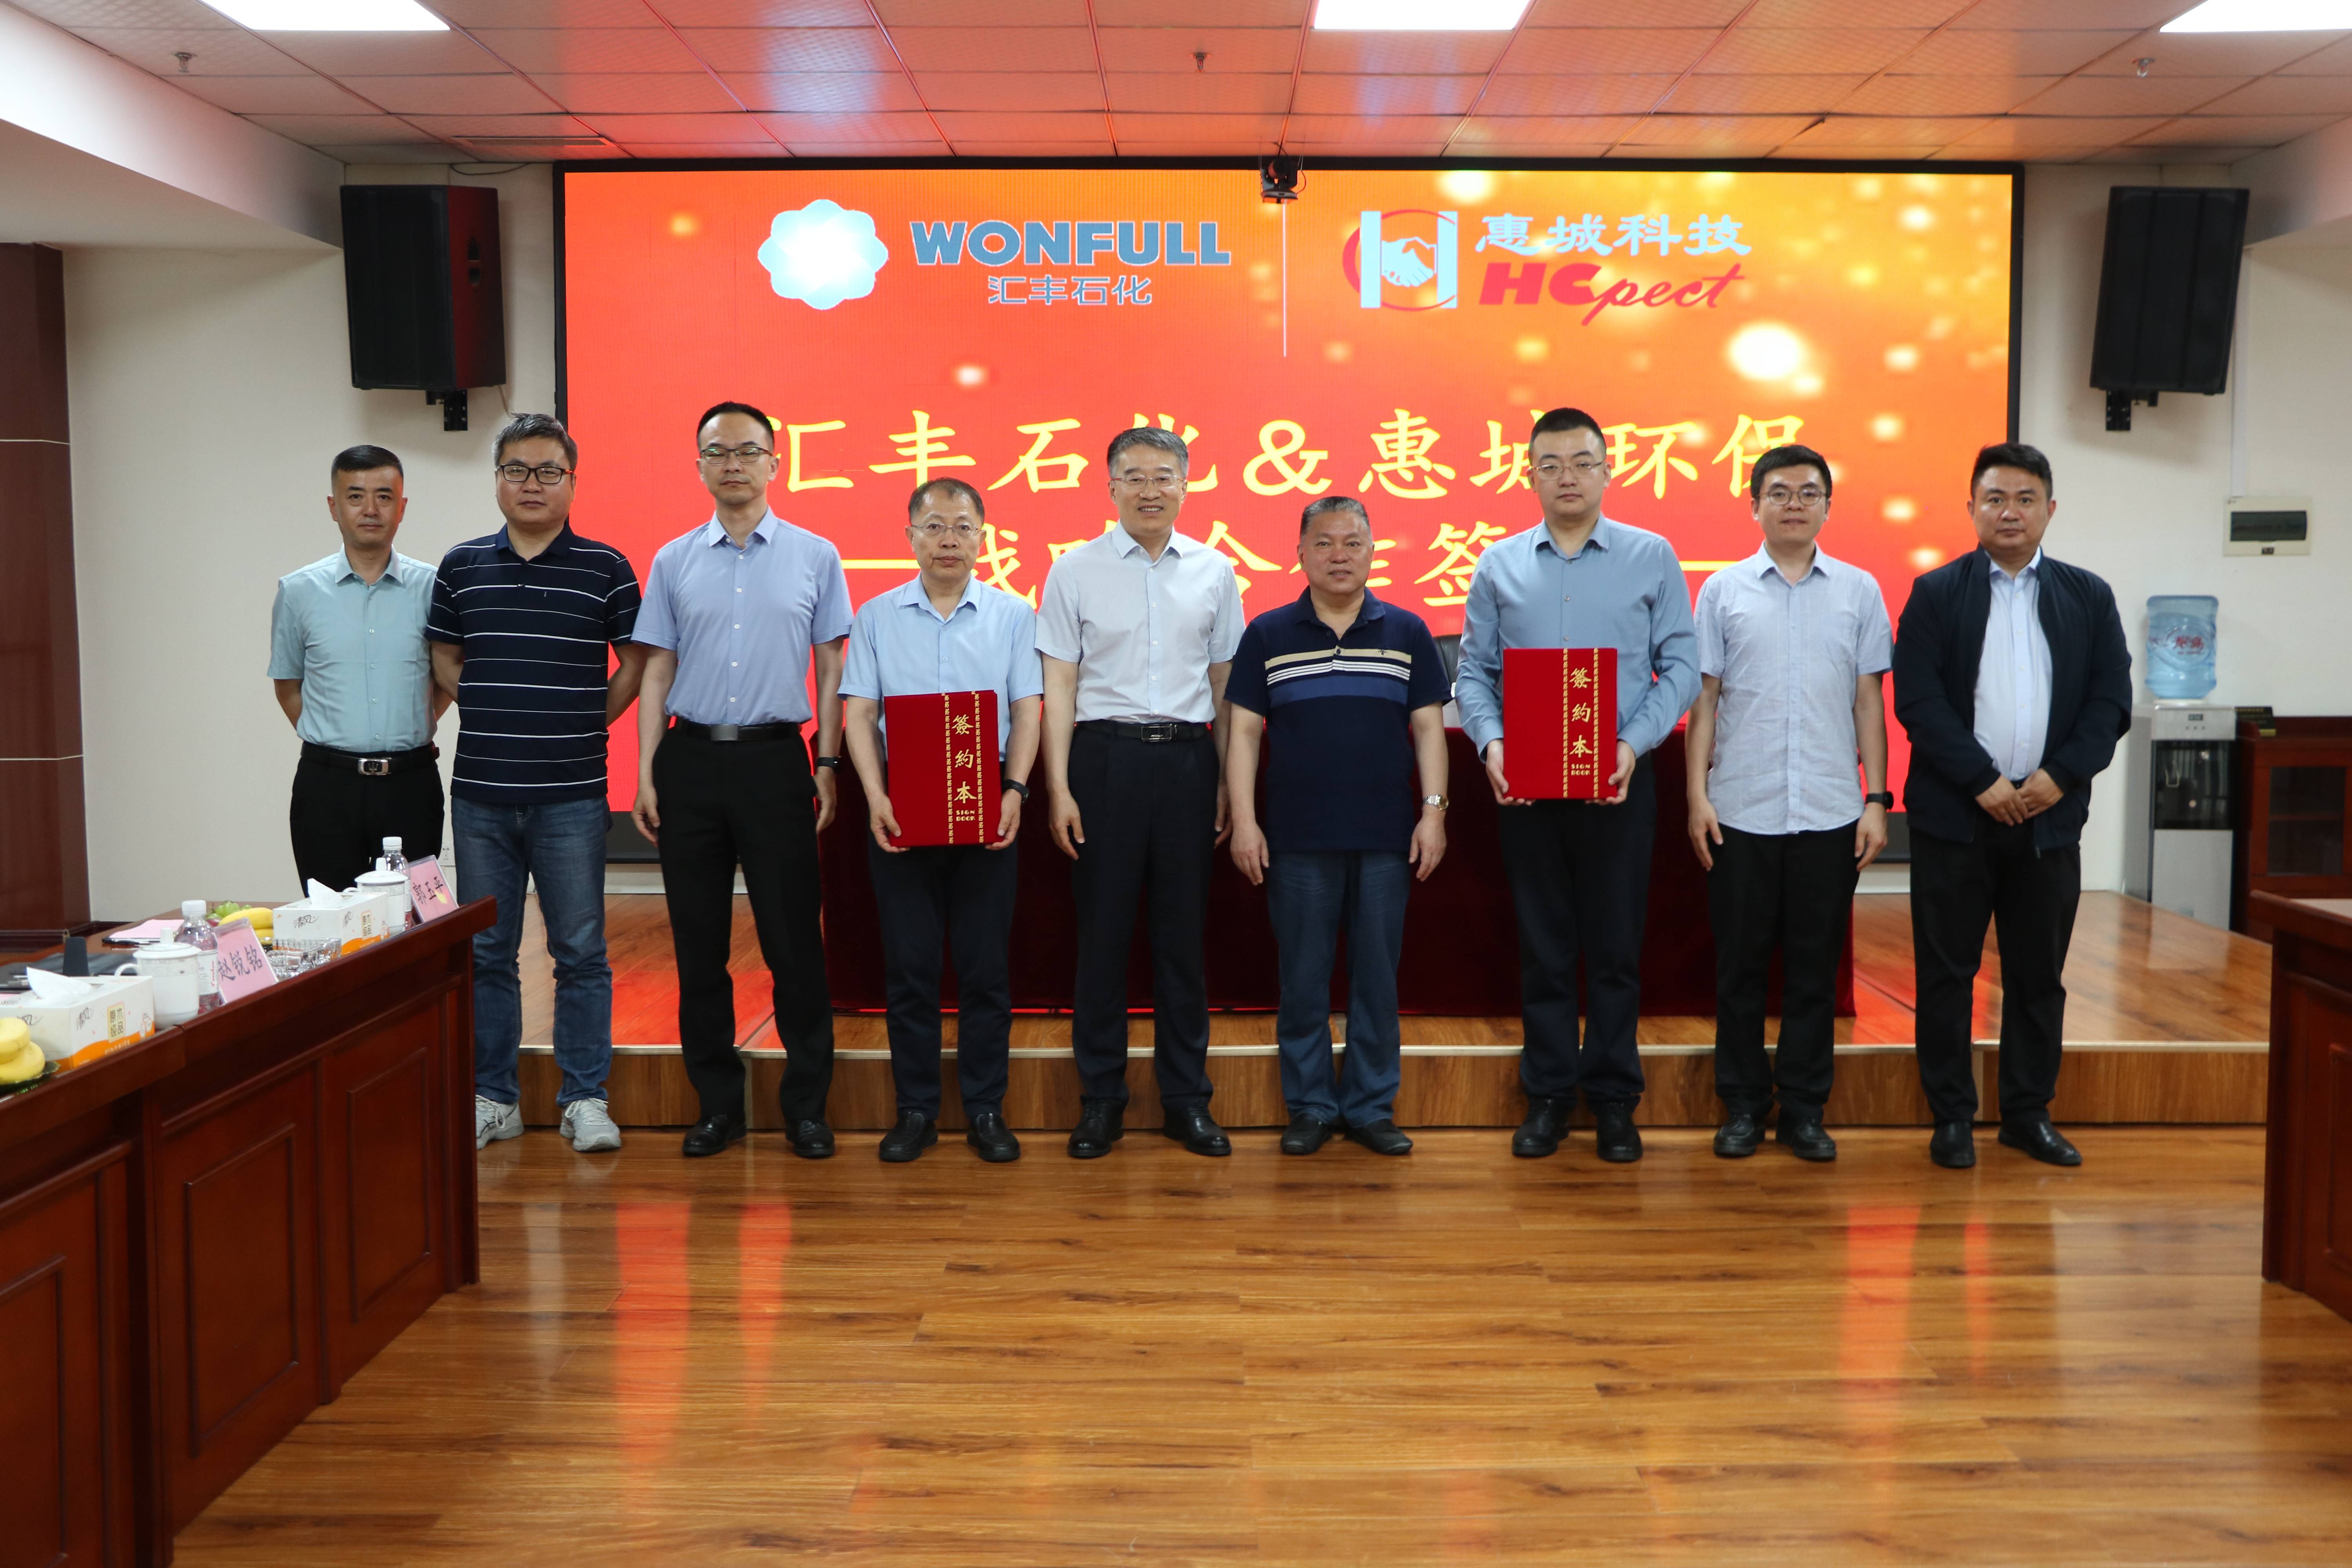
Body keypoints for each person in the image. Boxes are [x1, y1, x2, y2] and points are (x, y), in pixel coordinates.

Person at [1455, 406, 1700, 1164]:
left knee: (1617, 949)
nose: (1568, 477)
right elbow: (1473, 673)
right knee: (1545, 949)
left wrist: (1631, 745)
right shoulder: (1498, 564)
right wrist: (1493, 744)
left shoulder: (1651, 556)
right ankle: (1551, 1096)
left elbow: (1681, 667)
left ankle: (1616, 1101)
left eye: (1582, 462)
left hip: (1619, 785)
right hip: (1528, 790)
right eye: (1551, 464)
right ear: (1528, 473)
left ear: (1608, 470)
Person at [1893, 441, 2129, 1170]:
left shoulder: (2088, 596)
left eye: (2026, 500)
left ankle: (2028, 1114)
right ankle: (1951, 1118)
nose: (2010, 513)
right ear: (1971, 508)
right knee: (1946, 975)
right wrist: (1982, 781)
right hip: (1956, 818)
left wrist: (2059, 777)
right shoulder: (1936, 593)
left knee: (2037, 976)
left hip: (2047, 819)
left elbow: (2110, 701)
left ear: (2049, 510)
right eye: (1995, 499)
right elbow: (1919, 701)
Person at [631, 401, 849, 1161]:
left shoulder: (816, 555)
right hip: (690, 763)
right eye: (717, 452)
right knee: (700, 947)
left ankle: (807, 1109)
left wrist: (827, 761)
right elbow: (656, 670)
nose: (733, 464)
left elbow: (832, 666)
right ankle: (717, 1106)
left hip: (774, 762)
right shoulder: (673, 560)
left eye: (747, 451)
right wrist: (646, 770)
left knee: (794, 944)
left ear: (775, 463)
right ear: (699, 466)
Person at [430, 413, 645, 1157]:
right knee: (487, 953)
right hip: (481, 795)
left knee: (580, 952)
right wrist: (490, 708)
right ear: (497, 480)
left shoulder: (606, 567)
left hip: (572, 795)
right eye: (517, 470)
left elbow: (636, 665)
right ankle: (496, 1098)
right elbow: (445, 659)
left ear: (572, 482)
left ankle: (586, 1098)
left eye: (549, 471)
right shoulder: (460, 566)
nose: (532, 484)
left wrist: (586, 720)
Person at [1037, 425, 1243, 1160]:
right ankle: (1101, 1101)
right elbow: (1059, 686)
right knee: (1103, 938)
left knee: (1182, 940)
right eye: (1135, 476)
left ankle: (1187, 1101)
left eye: (1164, 476)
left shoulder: (1216, 571)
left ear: (1186, 485)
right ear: (1111, 487)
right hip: (1105, 762)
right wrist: (1058, 786)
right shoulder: (1074, 570)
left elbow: (1225, 685)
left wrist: (1227, 781)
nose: (1150, 490)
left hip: (1188, 762)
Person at [1686, 444, 1893, 1164]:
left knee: (1813, 971)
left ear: (1828, 506)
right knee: (1740, 970)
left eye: (1809, 492)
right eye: (1779, 492)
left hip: (1831, 811)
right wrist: (1696, 795)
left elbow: (1869, 701)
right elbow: (1705, 701)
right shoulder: (1722, 591)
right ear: (1755, 506)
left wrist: (1876, 800)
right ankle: (1743, 1106)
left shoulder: (1859, 591)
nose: (1794, 504)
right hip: (1740, 811)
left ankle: (1804, 1109)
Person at [1225, 495, 1449, 1157]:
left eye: (1352, 542)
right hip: (1296, 840)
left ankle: (1372, 1108)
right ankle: (1312, 1107)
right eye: (1323, 543)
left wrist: (1434, 813)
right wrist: (1245, 822)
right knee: (1303, 979)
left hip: (1386, 837)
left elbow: (1430, 730)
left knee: (1377, 978)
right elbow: (1243, 733)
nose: (1339, 555)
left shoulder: (1407, 630)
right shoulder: (1267, 633)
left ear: (1373, 551)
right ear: (1300, 554)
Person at [840, 478, 1042, 1164]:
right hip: (903, 812)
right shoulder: (876, 616)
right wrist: (874, 795)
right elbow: (861, 713)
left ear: (983, 538)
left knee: (986, 970)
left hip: (988, 812)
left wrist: (1016, 789)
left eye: (961, 527)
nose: (948, 539)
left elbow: (1027, 709)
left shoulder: (1013, 615)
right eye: (934, 527)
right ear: (911, 538)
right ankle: (916, 1111)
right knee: (911, 969)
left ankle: (986, 1109)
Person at [270, 444, 448, 893]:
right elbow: (288, 686)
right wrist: (338, 744)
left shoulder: (434, 588)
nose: (371, 509)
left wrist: (412, 723)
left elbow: (446, 678)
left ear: (402, 507)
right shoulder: (298, 591)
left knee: (413, 919)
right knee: (331, 916)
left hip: (411, 784)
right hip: (327, 788)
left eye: (384, 496)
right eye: (355, 496)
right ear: (334, 507)